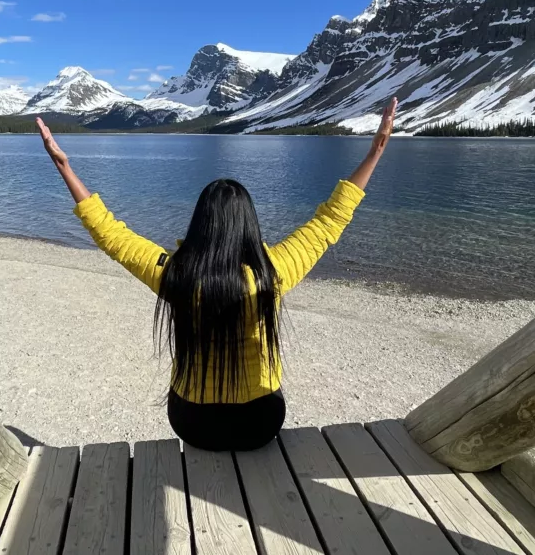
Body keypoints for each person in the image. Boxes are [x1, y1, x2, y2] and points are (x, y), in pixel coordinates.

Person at [34, 98, 397, 451]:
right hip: (260, 423)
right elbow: (328, 222)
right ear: (248, 225)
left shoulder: (175, 275)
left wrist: (64, 167)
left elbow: (112, 235)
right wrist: (375, 152)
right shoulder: (274, 272)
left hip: (192, 422)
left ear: (201, 225)